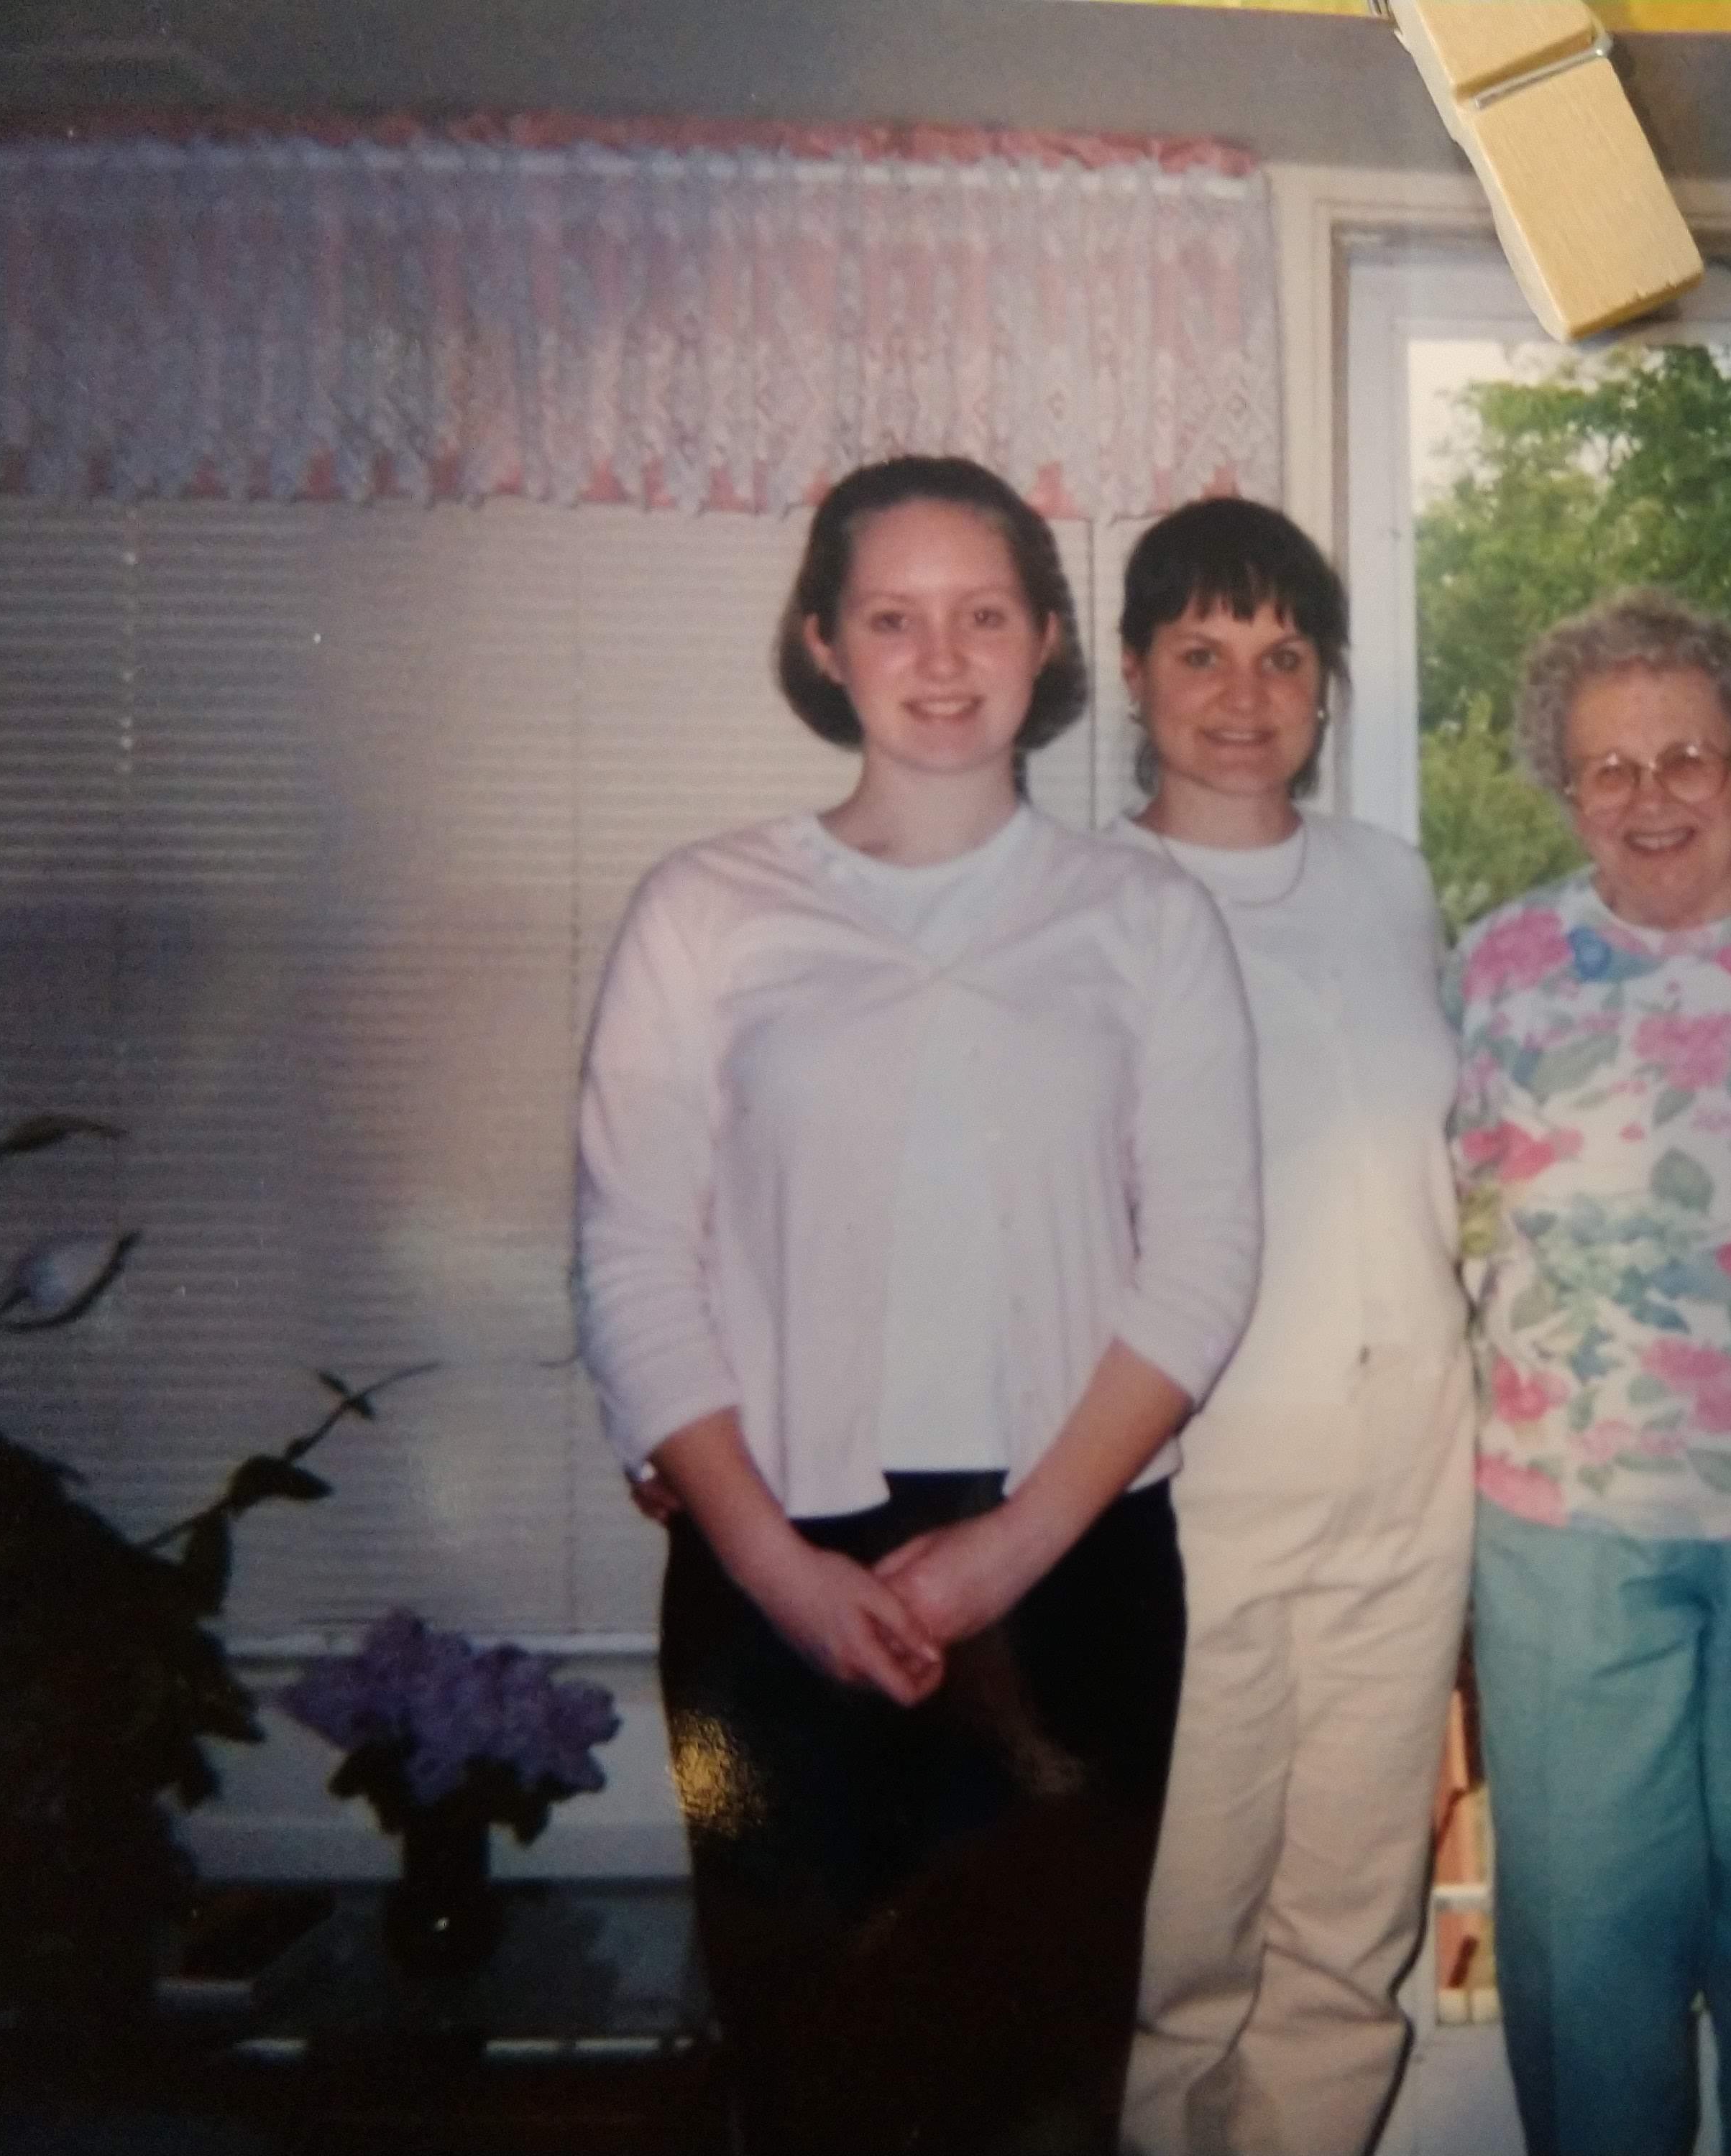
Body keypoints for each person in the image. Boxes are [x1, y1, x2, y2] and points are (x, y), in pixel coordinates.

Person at [574, 454, 1260, 2153]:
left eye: (980, 616)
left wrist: (1013, 1551)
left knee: (1038, 2084)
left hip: (1067, 1579)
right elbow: (627, 1254)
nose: (938, 657)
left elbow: (1203, 1261)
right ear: (823, 642)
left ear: (1042, 644)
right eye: (892, 617)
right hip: (770, 1574)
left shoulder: (1142, 917)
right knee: (812, 2067)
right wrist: (772, 1570)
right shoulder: (705, 912)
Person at [1447, 589, 1731, 2156]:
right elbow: (1443, 1226)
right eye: (1607, 771)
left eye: (1684, 758)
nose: (1648, 799)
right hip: (1567, 1529)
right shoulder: (1497, 966)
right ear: (1563, 789)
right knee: (1588, 1955)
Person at [1109, 498, 1475, 2156]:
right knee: (1175, 1952)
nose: (1243, 694)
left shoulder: (1392, 889)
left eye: (1281, 655)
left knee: (1345, 1948)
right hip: (1190, 1505)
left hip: (1410, 1492)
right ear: (1133, 674)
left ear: (1325, 687)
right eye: (1201, 652)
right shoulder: (1077, 905)